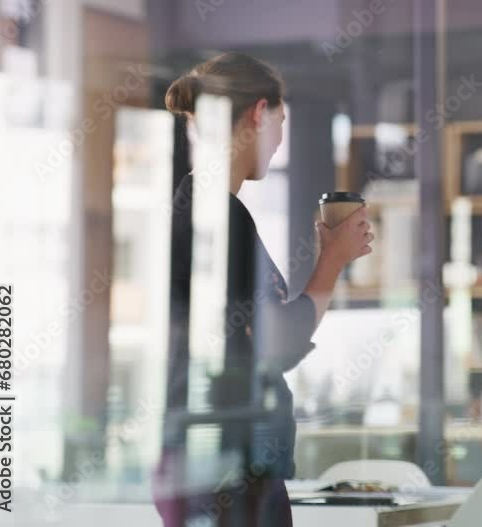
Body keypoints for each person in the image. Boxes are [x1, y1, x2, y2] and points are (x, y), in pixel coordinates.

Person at [153, 52, 372, 527]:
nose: (278, 141)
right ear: (258, 113)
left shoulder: (207, 208)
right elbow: (279, 344)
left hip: (218, 464)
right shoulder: (216, 214)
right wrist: (332, 260)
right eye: (280, 121)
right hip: (226, 470)